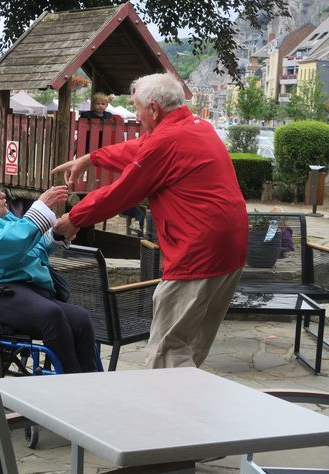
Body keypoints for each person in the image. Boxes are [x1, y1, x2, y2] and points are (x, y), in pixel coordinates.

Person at [53, 73, 248, 369]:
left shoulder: (167, 140)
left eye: (137, 107)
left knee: (166, 353)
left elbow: (123, 191)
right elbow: (142, 149)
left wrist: (74, 218)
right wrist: (92, 158)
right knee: (190, 348)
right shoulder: (196, 127)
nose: (137, 115)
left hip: (197, 253)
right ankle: (188, 411)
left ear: (154, 109)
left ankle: (163, 413)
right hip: (228, 252)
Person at [0, 171, 97, 373]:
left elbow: (30, 249)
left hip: (17, 289)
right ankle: (70, 382)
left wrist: (56, 234)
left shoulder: (2, 220)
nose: (3, 195)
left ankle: (90, 381)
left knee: (81, 318)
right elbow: (12, 243)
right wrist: (40, 207)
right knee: (52, 314)